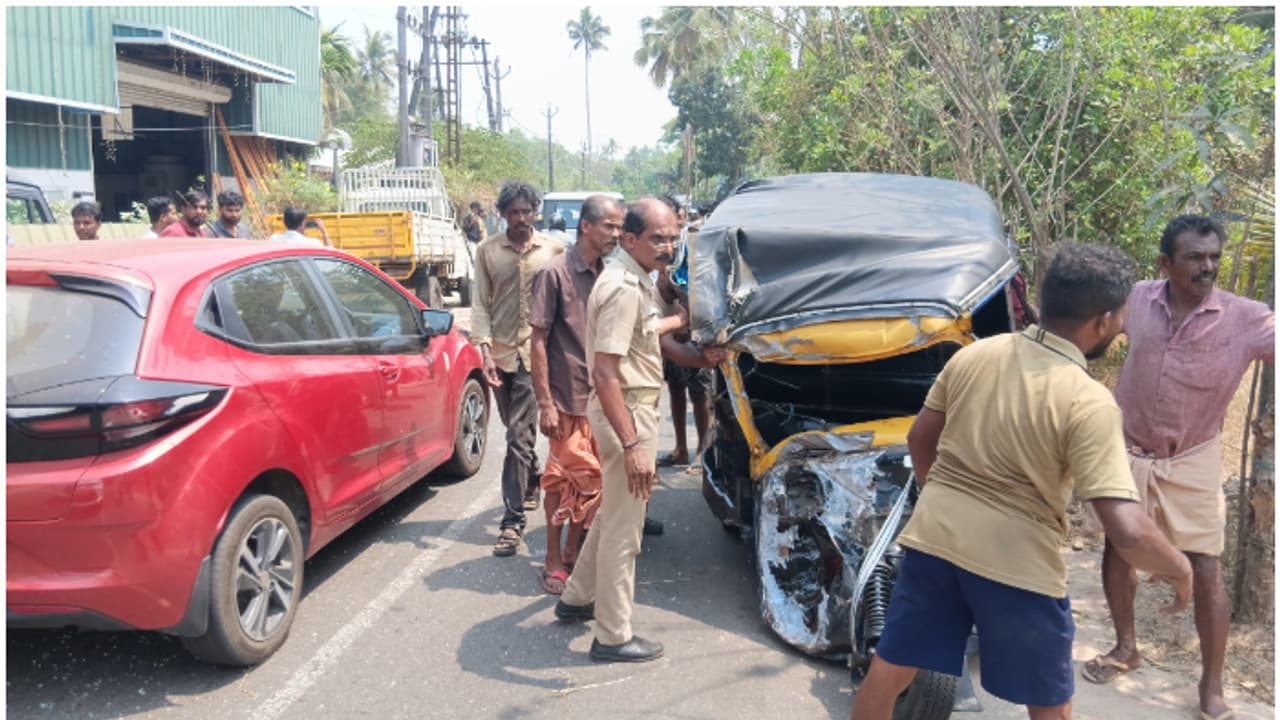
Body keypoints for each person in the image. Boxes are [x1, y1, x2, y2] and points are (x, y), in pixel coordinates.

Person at [849, 243, 1193, 720]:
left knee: (890, 670)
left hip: (935, 540)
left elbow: (919, 437)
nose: (1121, 328)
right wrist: (1180, 567)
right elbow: (1128, 530)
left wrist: (942, 498)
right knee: (1049, 703)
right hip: (1020, 565)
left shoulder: (975, 356)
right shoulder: (1088, 402)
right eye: (1120, 319)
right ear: (1104, 321)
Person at [1086, 215, 1274, 720]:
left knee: (1207, 569)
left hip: (1193, 458)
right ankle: (1126, 648)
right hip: (1126, 450)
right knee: (1117, 548)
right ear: (1166, 263)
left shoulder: (1248, 318)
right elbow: (1089, 326)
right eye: (1195, 257)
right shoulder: (1137, 299)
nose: (1208, 266)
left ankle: (1211, 690)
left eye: (1214, 256)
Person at [553, 197, 723, 663]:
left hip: (628, 409)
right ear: (630, 239)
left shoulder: (635, 278)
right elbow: (605, 372)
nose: (668, 247)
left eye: (672, 237)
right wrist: (632, 445)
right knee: (626, 535)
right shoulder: (625, 286)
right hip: (627, 413)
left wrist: (691, 341)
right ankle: (612, 636)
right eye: (658, 239)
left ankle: (576, 599)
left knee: (614, 513)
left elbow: (646, 335)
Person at [529, 194, 625, 595]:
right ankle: (553, 557)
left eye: (620, 228)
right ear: (586, 226)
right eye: (609, 226)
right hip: (566, 397)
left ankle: (574, 550)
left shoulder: (611, 274)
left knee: (596, 483)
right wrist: (545, 403)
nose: (616, 234)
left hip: (602, 398)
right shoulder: (554, 274)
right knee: (559, 481)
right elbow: (537, 340)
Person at [472, 180, 564, 557]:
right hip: (502, 354)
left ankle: (511, 523)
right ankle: (531, 480)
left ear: (535, 211)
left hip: (536, 354)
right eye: (514, 213)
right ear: (503, 215)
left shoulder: (553, 249)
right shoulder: (487, 251)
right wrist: (484, 350)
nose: (521, 219)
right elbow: (479, 302)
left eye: (527, 211)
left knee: (517, 439)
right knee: (515, 427)